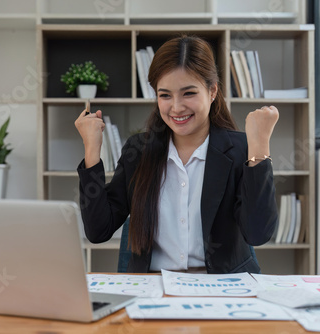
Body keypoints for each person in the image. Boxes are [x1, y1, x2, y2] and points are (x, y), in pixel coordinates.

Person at [75, 35, 279, 274]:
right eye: (165, 95)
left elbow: (258, 233)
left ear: (212, 91)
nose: (177, 107)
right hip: (154, 286)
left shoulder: (239, 150)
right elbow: (98, 231)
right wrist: (91, 151)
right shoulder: (138, 151)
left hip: (222, 289)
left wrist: (260, 147)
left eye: (189, 93)